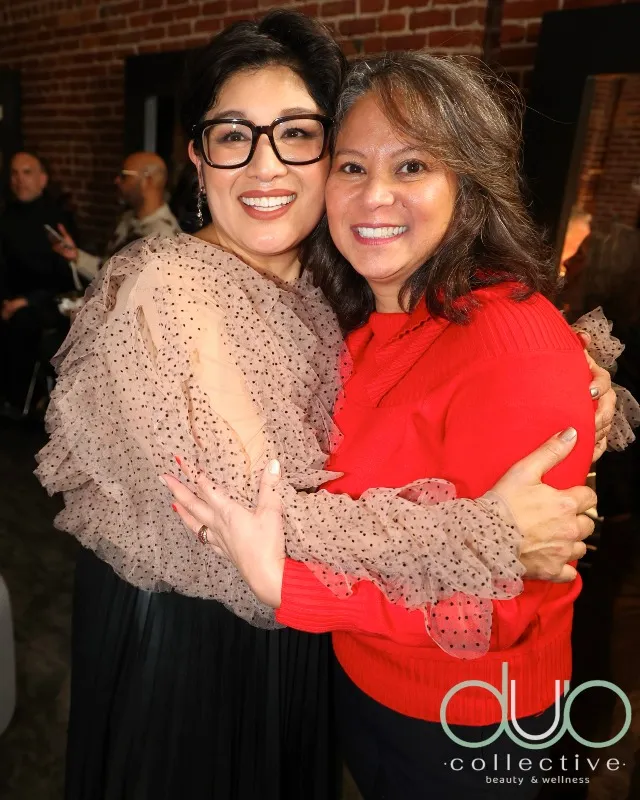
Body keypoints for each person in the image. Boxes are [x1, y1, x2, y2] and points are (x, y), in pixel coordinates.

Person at [36, 12, 621, 800]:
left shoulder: (330, 283)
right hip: (195, 635)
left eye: (297, 135)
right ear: (198, 158)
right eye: (233, 135)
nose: (264, 165)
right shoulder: (170, 286)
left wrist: (576, 379)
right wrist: (486, 532)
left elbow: (414, 392)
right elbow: (252, 520)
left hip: (322, 631)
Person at [0, 152, 79, 414]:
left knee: (23, 322)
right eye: (14, 173)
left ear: (43, 179)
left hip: (47, 299)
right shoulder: (6, 216)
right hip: (11, 297)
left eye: (27, 172)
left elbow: (63, 277)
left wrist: (25, 301)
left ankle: (19, 399)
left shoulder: (57, 220)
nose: (19, 179)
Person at [51, 151, 180, 281]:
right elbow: (109, 272)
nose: (117, 180)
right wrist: (76, 256)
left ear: (148, 180)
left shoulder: (164, 238)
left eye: (124, 175)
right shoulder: (128, 219)